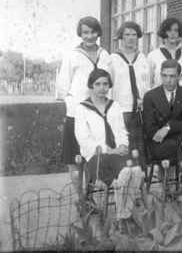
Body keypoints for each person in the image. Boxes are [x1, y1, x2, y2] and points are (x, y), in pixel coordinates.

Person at [56, 16, 112, 187]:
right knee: (75, 160)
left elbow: (111, 82)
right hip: (77, 114)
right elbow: (63, 86)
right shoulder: (72, 55)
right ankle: (81, 200)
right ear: (80, 33)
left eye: (93, 32)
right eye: (85, 32)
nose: (89, 36)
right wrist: (73, 106)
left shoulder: (105, 54)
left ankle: (89, 197)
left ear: (98, 33)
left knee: (93, 158)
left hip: (98, 114)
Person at [143, 59, 182, 181]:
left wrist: (168, 128)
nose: (168, 80)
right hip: (159, 144)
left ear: (180, 76)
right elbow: (151, 130)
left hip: (180, 139)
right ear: (160, 75)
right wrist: (173, 129)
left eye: (172, 76)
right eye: (164, 76)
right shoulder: (150, 96)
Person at [74, 68, 129, 186]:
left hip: (116, 153)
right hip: (95, 156)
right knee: (118, 174)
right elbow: (83, 139)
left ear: (109, 86)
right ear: (91, 86)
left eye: (105, 84)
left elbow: (121, 130)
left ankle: (122, 190)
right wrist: (108, 150)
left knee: (130, 170)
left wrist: (123, 145)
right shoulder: (82, 108)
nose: (102, 88)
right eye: (97, 84)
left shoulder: (115, 106)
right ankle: (120, 187)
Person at [110, 21, 150, 167]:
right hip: (122, 110)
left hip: (140, 111)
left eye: (134, 34)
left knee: (139, 149)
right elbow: (109, 86)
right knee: (123, 148)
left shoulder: (143, 58)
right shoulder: (113, 59)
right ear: (121, 37)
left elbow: (147, 84)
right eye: (127, 34)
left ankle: (139, 185)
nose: (131, 38)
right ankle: (122, 184)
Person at [147, 17, 182, 88]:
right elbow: (148, 83)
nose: (172, 33)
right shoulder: (153, 55)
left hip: (180, 97)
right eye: (169, 30)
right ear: (164, 32)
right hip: (158, 97)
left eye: (176, 30)